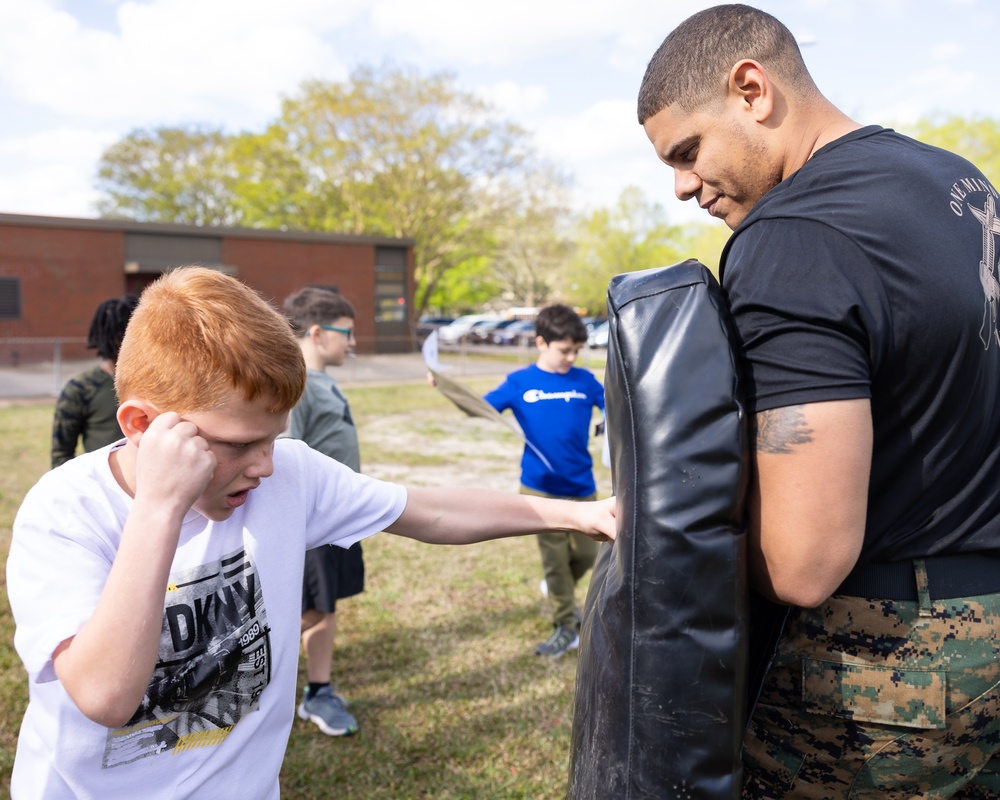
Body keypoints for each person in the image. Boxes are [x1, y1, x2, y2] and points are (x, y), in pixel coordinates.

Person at [5, 267, 616, 799]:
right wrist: (162, 508)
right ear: (143, 425)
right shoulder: (64, 513)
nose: (266, 465)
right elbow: (106, 695)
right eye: (241, 444)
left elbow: (428, 511)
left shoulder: (286, 472)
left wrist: (579, 516)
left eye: (272, 439)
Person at [638, 4, 1000, 798]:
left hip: (897, 665)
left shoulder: (793, 234)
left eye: (688, 152)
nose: (681, 186)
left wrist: (668, 551)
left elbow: (805, 562)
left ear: (751, 89)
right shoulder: (958, 182)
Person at [483, 304, 605, 658]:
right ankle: (566, 626)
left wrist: (607, 424)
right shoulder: (520, 382)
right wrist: (446, 389)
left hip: (582, 485)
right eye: (564, 350)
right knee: (554, 559)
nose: (571, 357)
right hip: (538, 488)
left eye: (576, 351)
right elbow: (484, 406)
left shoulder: (584, 380)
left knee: (588, 554)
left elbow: (613, 406)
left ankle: (558, 587)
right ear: (541, 343)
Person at [282, 286, 363, 737]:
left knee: (324, 609)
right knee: (311, 610)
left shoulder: (322, 380)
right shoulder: (298, 387)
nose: (352, 343)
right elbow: (286, 458)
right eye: (346, 333)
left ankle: (319, 689)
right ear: (317, 332)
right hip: (311, 526)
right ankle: (312, 692)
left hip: (336, 522)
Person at [51, 295, 139, 467]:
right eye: (125, 334)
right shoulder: (81, 389)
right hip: (105, 487)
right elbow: (61, 454)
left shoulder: (162, 384)